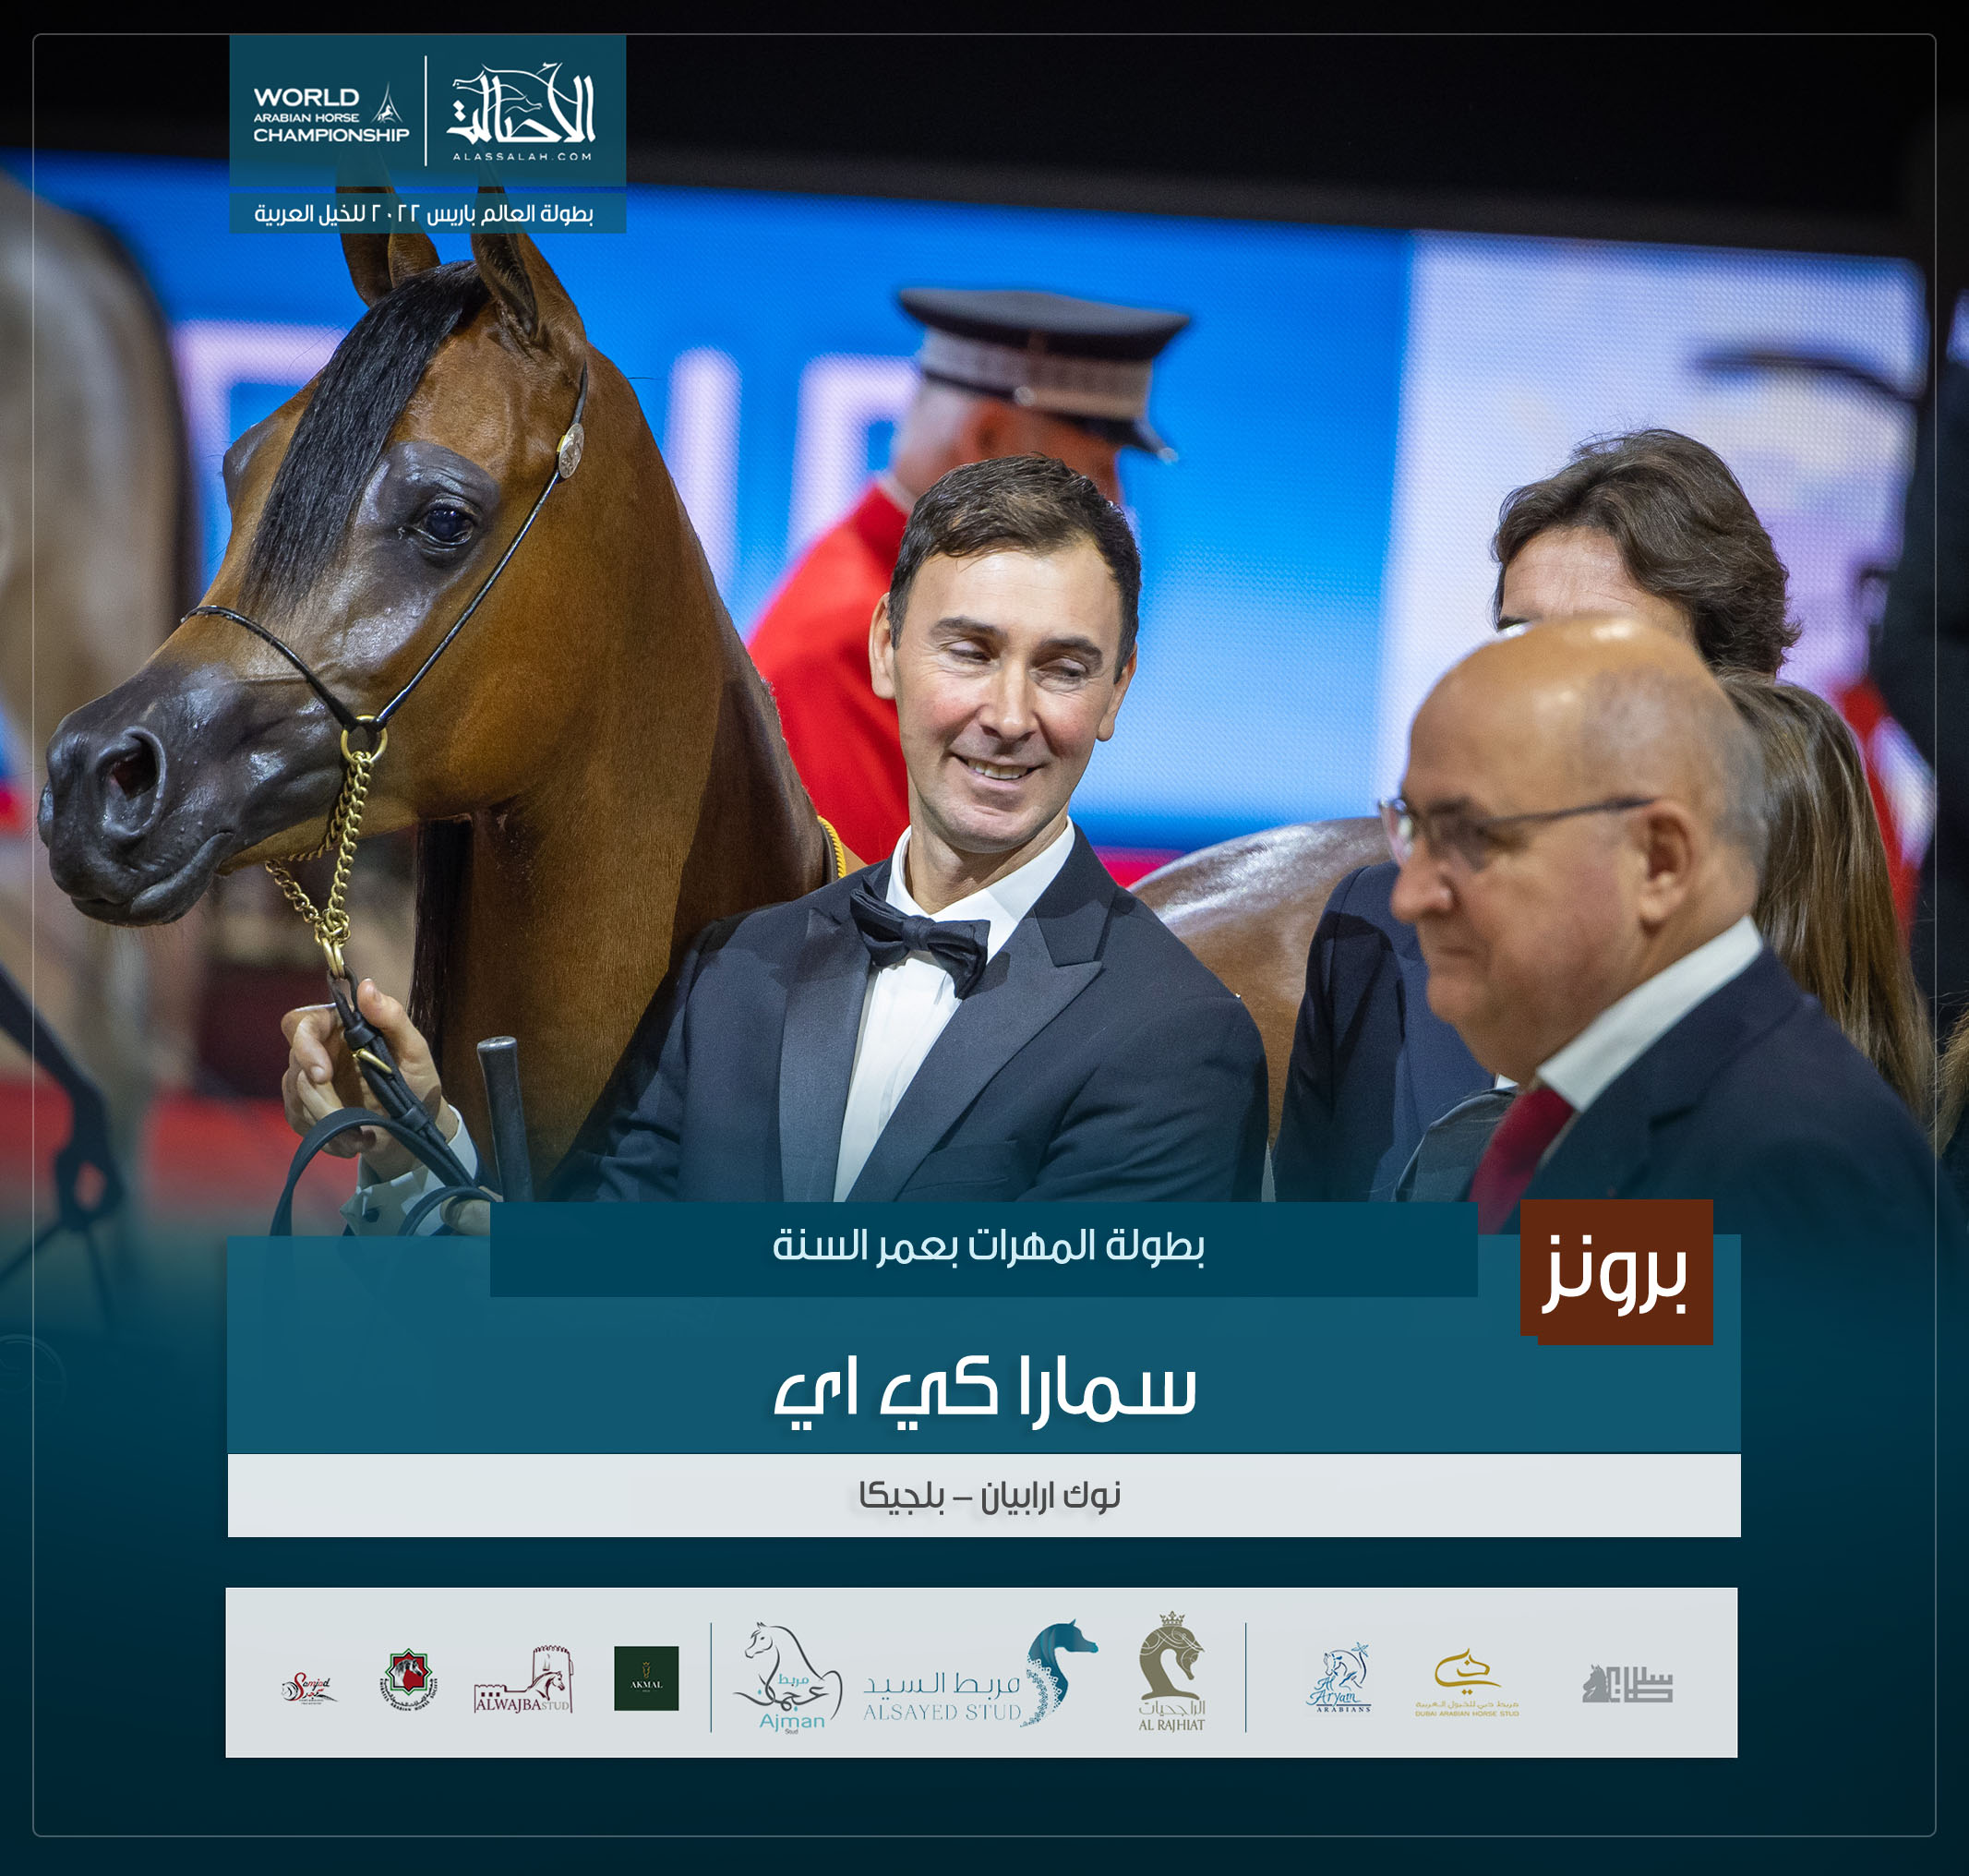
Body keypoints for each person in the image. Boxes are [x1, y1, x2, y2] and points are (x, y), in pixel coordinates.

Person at [283, 454, 1267, 1218]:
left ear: (1116, 692)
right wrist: (420, 1145)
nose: (1008, 716)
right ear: (886, 650)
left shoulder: (1178, 1037)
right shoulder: (735, 971)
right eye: (970, 651)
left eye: (1062, 669)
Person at [1275, 428, 1798, 1201]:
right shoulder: (1375, 932)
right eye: (1518, 642)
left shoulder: (1792, 975)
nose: (1539, 693)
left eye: (1601, 655)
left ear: (1735, 702)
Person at [1381, 615, 1943, 1250]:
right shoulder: (1575, 1112)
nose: (1407, 897)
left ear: (1659, 862)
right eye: (1412, 826)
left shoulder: (1797, 1164)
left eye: (1472, 836)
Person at [746, 287, 1189, 862]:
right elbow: (891, 906)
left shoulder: (866, 599)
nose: (1117, 498)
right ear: (987, 441)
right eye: (1098, 467)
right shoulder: (840, 642)